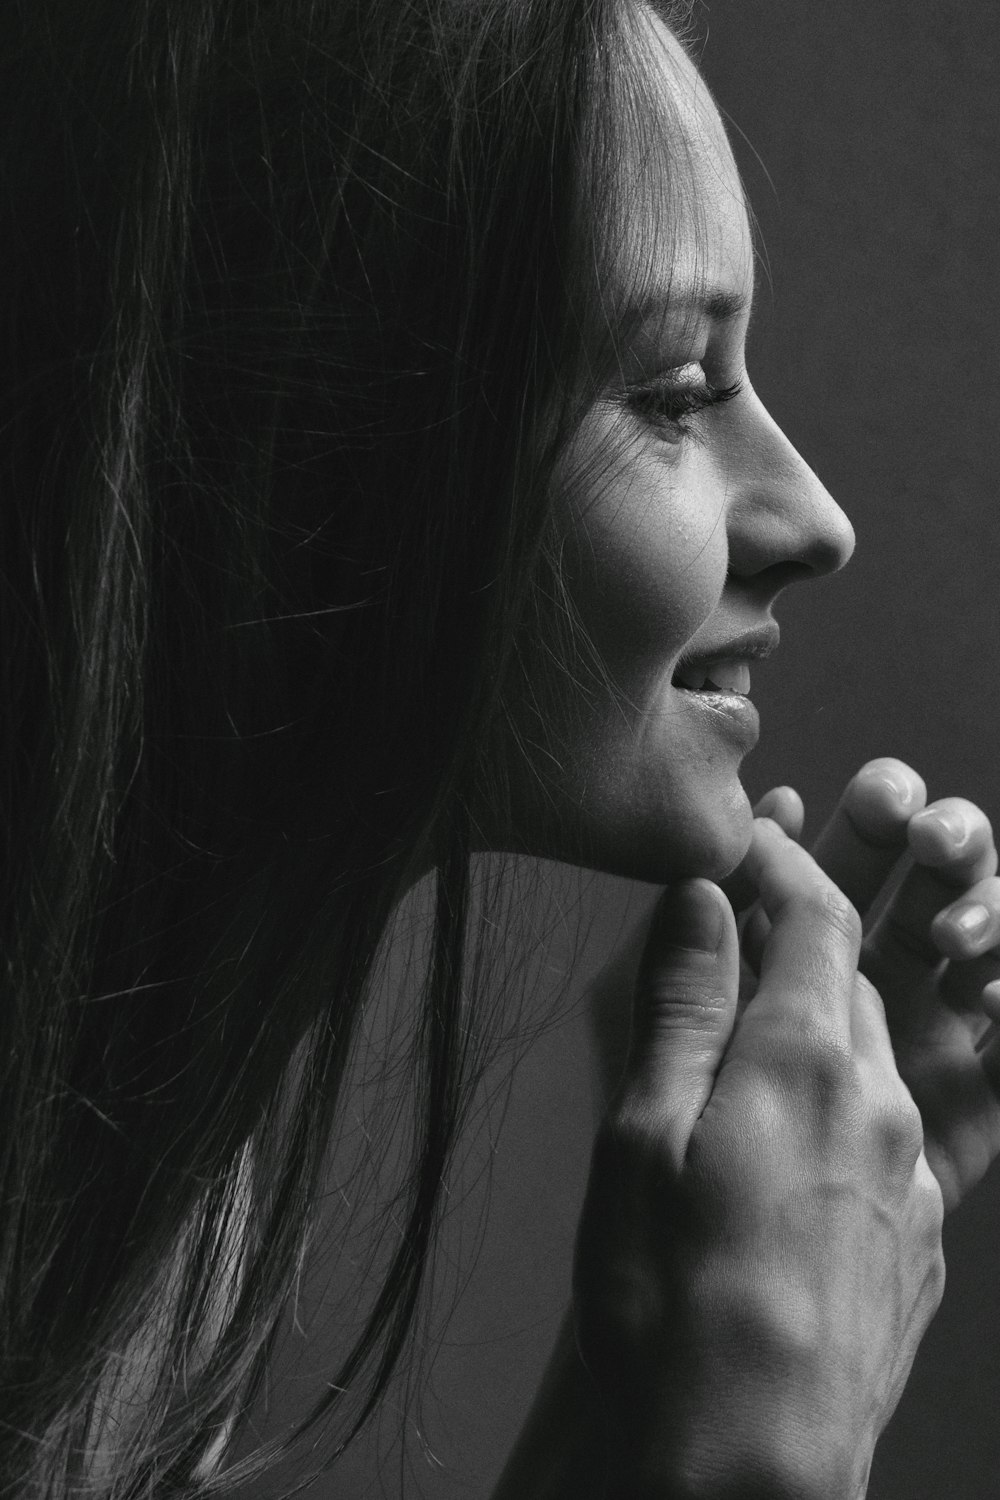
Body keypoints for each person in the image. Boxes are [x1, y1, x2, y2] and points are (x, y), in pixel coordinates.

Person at [1, 0, 998, 1496]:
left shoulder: (138, 1209)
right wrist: (764, 1447)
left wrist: (653, 1369)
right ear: (317, 445)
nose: (818, 522)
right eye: (674, 395)